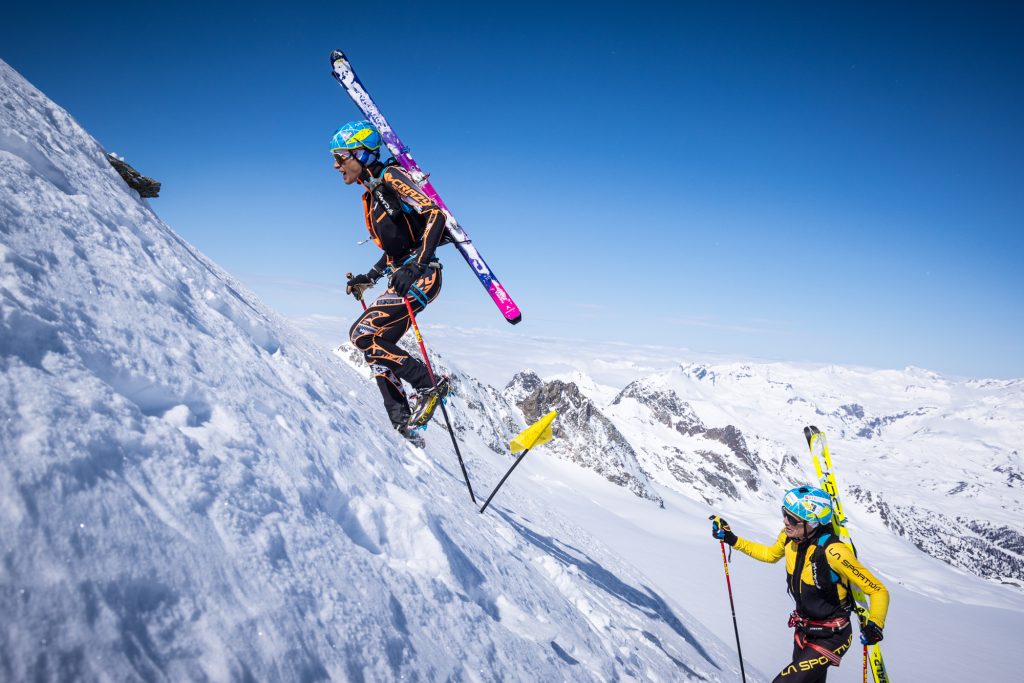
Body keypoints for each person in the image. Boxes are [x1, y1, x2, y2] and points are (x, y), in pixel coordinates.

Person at [330, 120, 451, 440]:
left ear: (360, 152)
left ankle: (429, 384)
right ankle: (402, 420)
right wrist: (367, 279)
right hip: (405, 276)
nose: (336, 164)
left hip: (421, 277)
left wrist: (417, 265)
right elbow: (398, 249)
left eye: (340, 156)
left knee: (361, 333)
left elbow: (435, 214)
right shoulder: (373, 194)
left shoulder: (390, 176)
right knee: (374, 345)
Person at [710, 486, 889, 683]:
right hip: (804, 631)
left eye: (793, 518)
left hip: (833, 636)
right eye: (784, 513)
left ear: (812, 522)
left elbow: (877, 590)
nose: (785, 521)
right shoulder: (789, 537)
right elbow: (770, 555)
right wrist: (732, 539)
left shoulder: (834, 552)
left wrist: (875, 625)